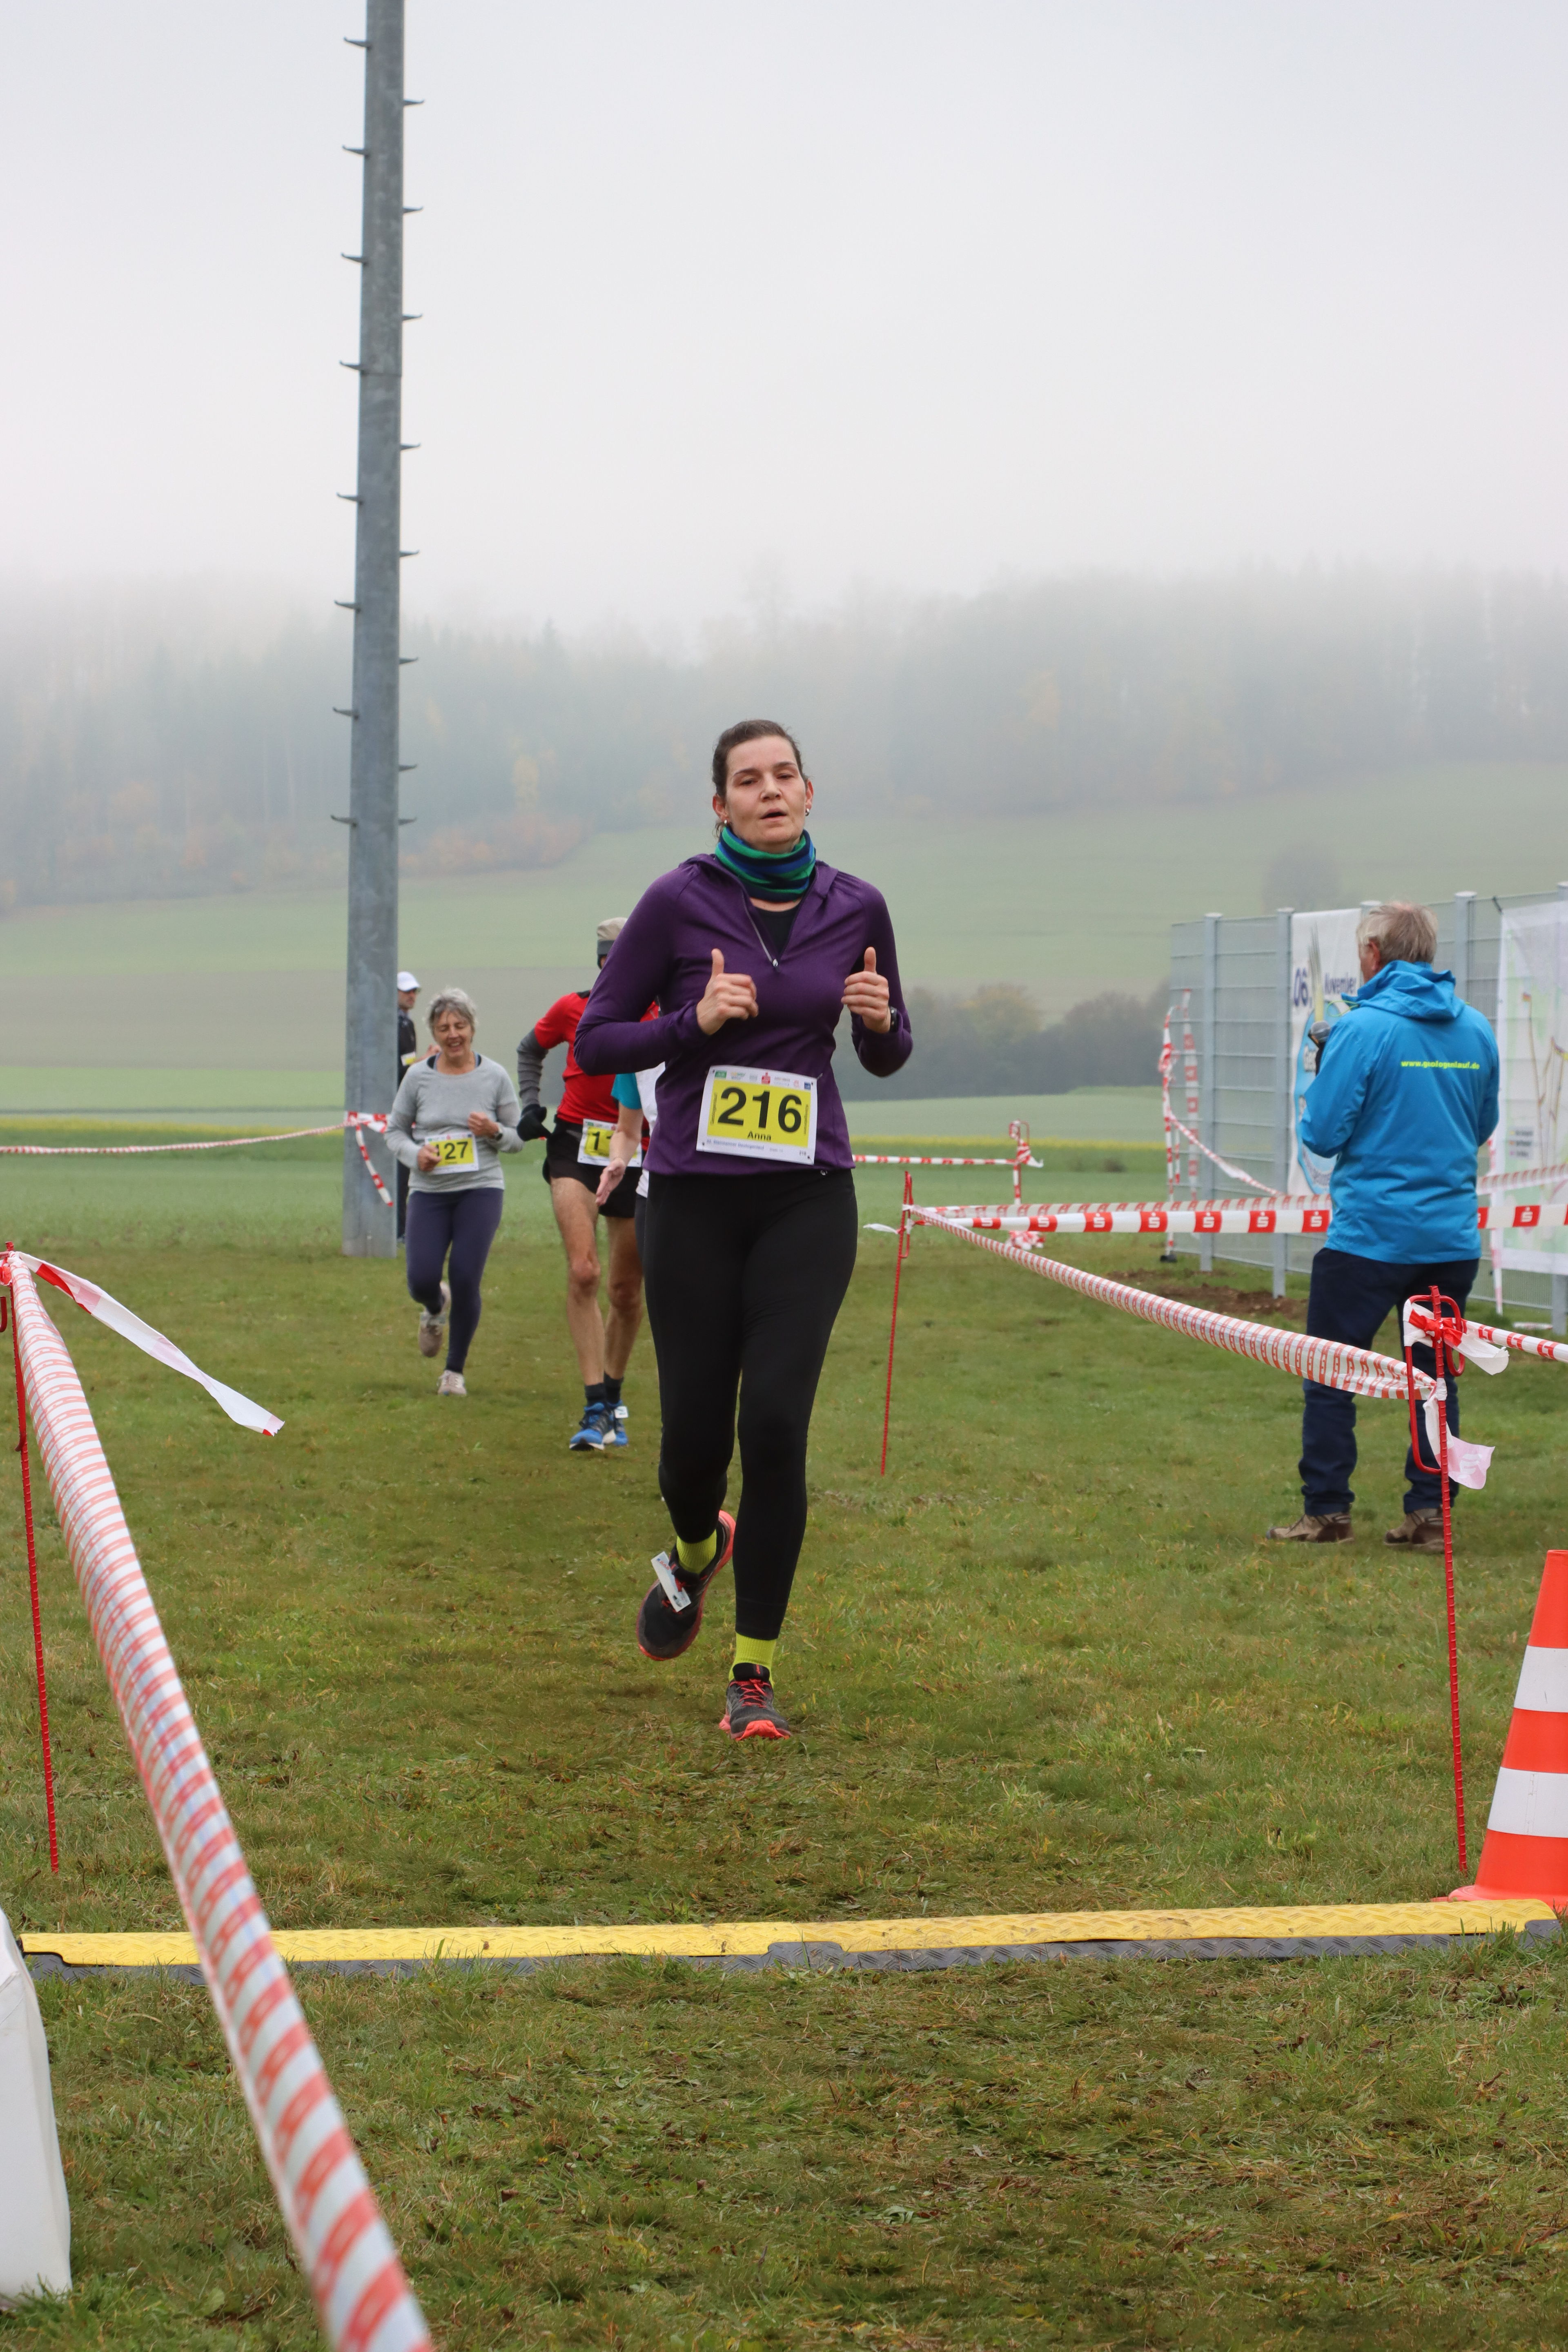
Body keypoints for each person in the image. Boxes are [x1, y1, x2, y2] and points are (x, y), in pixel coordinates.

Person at [575, 717, 911, 1739]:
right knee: (692, 1445)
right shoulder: (678, 900)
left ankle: (752, 1672)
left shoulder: (857, 904)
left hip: (807, 1197)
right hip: (693, 1199)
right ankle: (694, 1550)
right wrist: (694, 1023)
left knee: (772, 1424)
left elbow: (889, 1051)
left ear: (808, 792)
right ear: (719, 805)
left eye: (784, 775)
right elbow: (598, 1038)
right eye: (748, 779)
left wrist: (878, 1020)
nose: (770, 790)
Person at [1266, 901, 1499, 1549]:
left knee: (1331, 1372)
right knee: (1434, 1379)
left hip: (1370, 1238)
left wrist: (1325, 1073)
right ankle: (1431, 1513)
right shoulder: (1475, 1028)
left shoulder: (1361, 1029)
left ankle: (1327, 1511)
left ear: (1373, 955)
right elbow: (1481, 1126)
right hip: (1449, 1240)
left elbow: (1322, 1133)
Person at [516, 922, 653, 1453]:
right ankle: (595, 1405)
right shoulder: (572, 1008)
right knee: (584, 1271)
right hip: (574, 1145)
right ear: (600, 962)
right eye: (610, 959)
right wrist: (531, 1102)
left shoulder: (662, 1015)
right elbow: (530, 1049)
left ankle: (613, 1398)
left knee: (625, 1290)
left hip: (637, 1151)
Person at [388, 986, 523, 1397]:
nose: (453, 1035)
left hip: (480, 1189)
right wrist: (416, 1155)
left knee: (466, 1276)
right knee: (421, 1279)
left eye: (460, 1026)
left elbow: (518, 1138)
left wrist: (494, 1131)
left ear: (472, 1028)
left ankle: (454, 1373)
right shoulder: (418, 1077)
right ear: (434, 1032)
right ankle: (434, 1306)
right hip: (429, 1191)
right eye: (444, 1028)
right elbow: (395, 1132)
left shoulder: (494, 1076)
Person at [395, 970, 421, 1243]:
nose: (412, 996)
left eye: (414, 991)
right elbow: (396, 1070)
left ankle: (402, 1229)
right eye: (406, 991)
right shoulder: (391, 1025)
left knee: (405, 1174)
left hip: (404, 1102)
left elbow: (407, 1065)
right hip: (392, 1106)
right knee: (398, 1173)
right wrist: (422, 1063)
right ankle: (397, 1230)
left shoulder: (407, 1024)